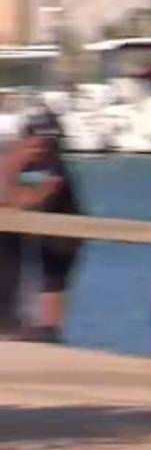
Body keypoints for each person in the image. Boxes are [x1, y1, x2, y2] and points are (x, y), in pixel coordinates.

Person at [0, 110, 84, 343]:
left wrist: (12, 196)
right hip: (21, 226)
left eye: (49, 143)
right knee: (8, 265)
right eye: (35, 142)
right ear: (22, 139)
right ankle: (9, 322)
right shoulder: (13, 158)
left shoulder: (54, 169)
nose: (41, 149)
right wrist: (14, 169)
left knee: (54, 275)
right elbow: (15, 197)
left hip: (64, 228)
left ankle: (49, 333)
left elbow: (34, 198)